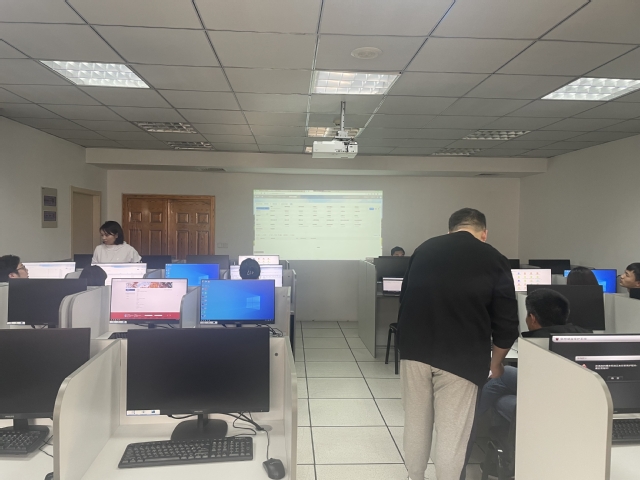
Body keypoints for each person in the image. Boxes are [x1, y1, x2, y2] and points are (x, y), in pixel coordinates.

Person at [397, 208, 519, 480]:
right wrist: (496, 363)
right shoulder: (494, 258)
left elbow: (404, 298)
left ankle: (415, 476)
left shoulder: (424, 249)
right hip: (462, 357)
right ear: (484, 233)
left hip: (414, 349)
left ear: (450, 229)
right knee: (452, 433)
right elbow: (507, 320)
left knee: (416, 421)